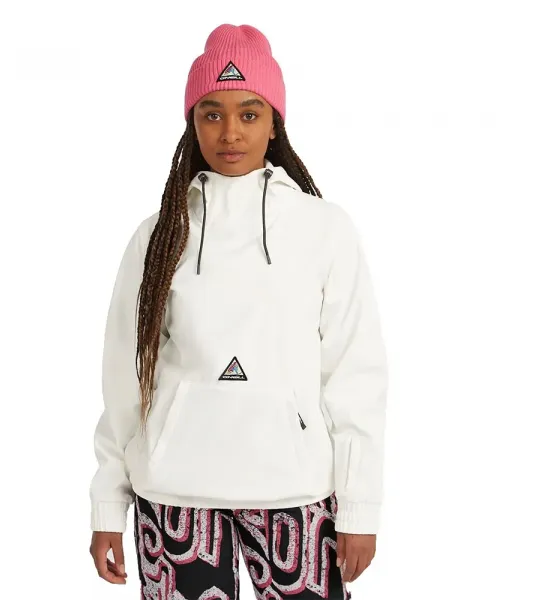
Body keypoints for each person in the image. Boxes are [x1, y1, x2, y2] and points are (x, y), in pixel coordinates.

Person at [88, 23, 388, 600]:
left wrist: (360, 506)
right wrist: (108, 502)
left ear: (274, 123)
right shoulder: (159, 237)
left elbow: (355, 373)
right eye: (212, 114)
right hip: (174, 494)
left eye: (249, 114)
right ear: (192, 123)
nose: (230, 132)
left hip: (295, 491)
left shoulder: (323, 229)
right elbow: (125, 379)